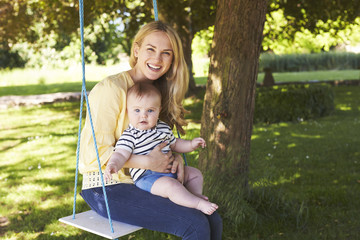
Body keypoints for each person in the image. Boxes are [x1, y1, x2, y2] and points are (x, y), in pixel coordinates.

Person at [79, 21, 222, 239]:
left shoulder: (158, 92)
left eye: (166, 53)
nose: (157, 59)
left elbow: (160, 140)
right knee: (194, 224)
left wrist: (175, 158)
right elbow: (94, 157)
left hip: (145, 180)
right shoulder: (111, 89)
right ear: (136, 50)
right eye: (151, 49)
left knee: (212, 218)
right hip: (107, 186)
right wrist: (149, 162)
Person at [104, 83, 218, 215]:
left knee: (195, 174)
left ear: (159, 110)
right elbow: (121, 154)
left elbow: (175, 144)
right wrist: (113, 164)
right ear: (127, 111)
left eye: (150, 110)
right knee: (171, 186)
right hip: (147, 178)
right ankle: (197, 204)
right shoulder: (131, 135)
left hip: (169, 171)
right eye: (137, 110)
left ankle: (195, 195)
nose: (144, 115)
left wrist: (191, 144)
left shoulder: (162, 128)